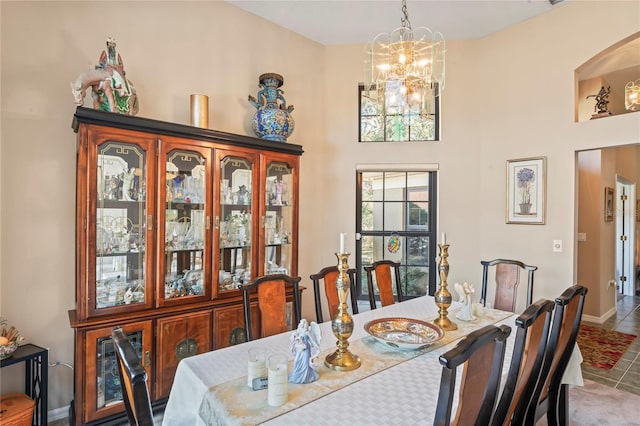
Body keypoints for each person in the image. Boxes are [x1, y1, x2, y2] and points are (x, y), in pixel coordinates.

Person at [288, 319, 321, 384]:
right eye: (301, 323)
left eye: (304, 323)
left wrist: (317, 348)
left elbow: (312, 341)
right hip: (300, 349)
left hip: (306, 350)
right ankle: (297, 375)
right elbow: (295, 339)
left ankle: (306, 377)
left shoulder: (307, 333)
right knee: (296, 361)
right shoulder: (299, 331)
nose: (302, 325)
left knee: (305, 364)